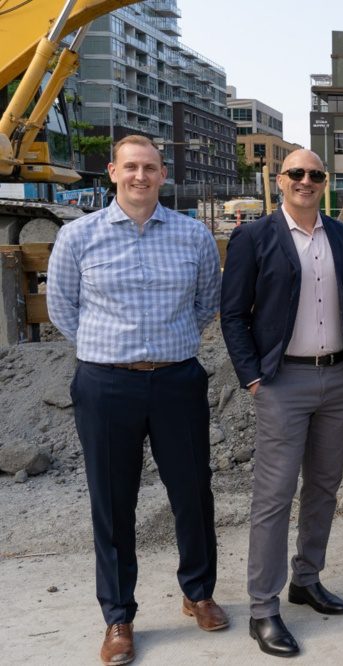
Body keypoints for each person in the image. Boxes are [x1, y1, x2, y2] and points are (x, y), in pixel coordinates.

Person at [47, 135, 227, 666]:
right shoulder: (79, 237)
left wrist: (167, 347)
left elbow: (205, 303)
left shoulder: (193, 236)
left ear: (162, 174)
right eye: (130, 167)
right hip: (106, 385)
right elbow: (62, 308)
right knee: (112, 499)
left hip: (176, 380)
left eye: (149, 167)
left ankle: (198, 592)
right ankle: (118, 616)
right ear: (112, 172)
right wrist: (109, 349)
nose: (140, 176)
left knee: (193, 492)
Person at [220, 149, 343, 656]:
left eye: (315, 175)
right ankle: (263, 607)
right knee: (274, 497)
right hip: (282, 382)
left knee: (325, 487)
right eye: (297, 173)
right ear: (280, 180)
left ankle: (306, 579)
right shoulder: (254, 236)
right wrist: (253, 378)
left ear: (325, 183)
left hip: (337, 380)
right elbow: (233, 314)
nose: (306, 181)